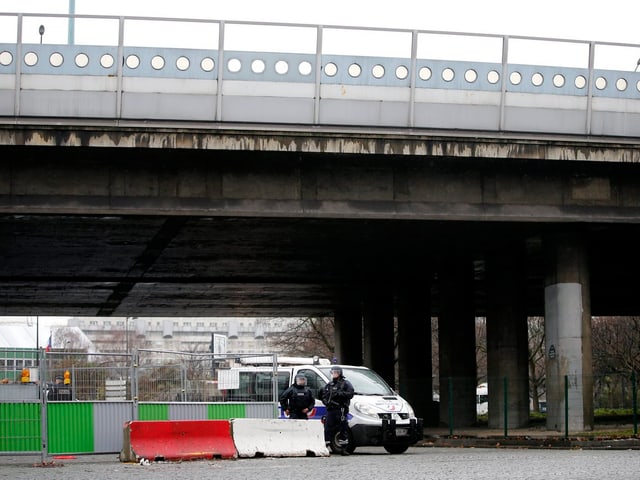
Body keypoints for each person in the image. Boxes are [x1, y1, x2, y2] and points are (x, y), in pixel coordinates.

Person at [321, 365, 354, 455]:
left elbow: (350, 393)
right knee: (327, 428)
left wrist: (339, 394)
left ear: (340, 373)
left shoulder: (345, 383)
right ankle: (326, 447)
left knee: (343, 428)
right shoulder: (329, 384)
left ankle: (343, 448)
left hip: (341, 409)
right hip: (331, 410)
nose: (334, 374)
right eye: (333, 372)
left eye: (336, 372)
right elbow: (324, 395)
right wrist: (326, 402)